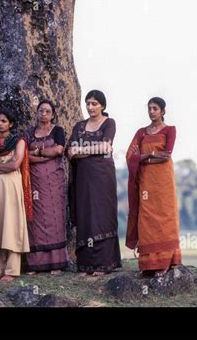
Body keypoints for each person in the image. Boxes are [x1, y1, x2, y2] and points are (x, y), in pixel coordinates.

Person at [67, 90, 122, 276]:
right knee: (85, 215)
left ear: (103, 106)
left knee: (101, 216)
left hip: (102, 178)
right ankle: (85, 265)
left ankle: (103, 264)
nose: (90, 107)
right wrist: (94, 149)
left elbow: (106, 146)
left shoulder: (109, 123)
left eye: (94, 104)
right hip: (83, 178)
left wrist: (82, 150)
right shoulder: (79, 126)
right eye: (88, 103)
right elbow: (70, 151)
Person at [126, 97, 181, 277]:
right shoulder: (141, 133)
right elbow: (130, 155)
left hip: (163, 183)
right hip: (146, 183)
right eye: (149, 108)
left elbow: (167, 155)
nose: (151, 111)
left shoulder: (170, 130)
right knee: (146, 219)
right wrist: (151, 155)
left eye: (155, 108)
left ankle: (165, 263)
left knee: (165, 218)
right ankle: (148, 264)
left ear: (163, 111)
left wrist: (144, 156)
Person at [0, 109, 33, 282]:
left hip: (11, 186)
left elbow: (14, 165)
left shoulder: (19, 140)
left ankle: (11, 270)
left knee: (10, 224)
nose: (0, 123)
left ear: (10, 124)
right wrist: (2, 165)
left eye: (4, 121)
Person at [25, 100, 68, 275]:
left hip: (55, 182)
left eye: (47, 111)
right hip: (35, 182)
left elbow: (58, 150)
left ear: (52, 114)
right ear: (36, 113)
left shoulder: (58, 131)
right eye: (41, 110)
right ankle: (36, 264)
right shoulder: (29, 133)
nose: (43, 114)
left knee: (54, 218)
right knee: (35, 220)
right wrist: (44, 155)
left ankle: (56, 264)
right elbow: (25, 155)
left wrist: (39, 153)